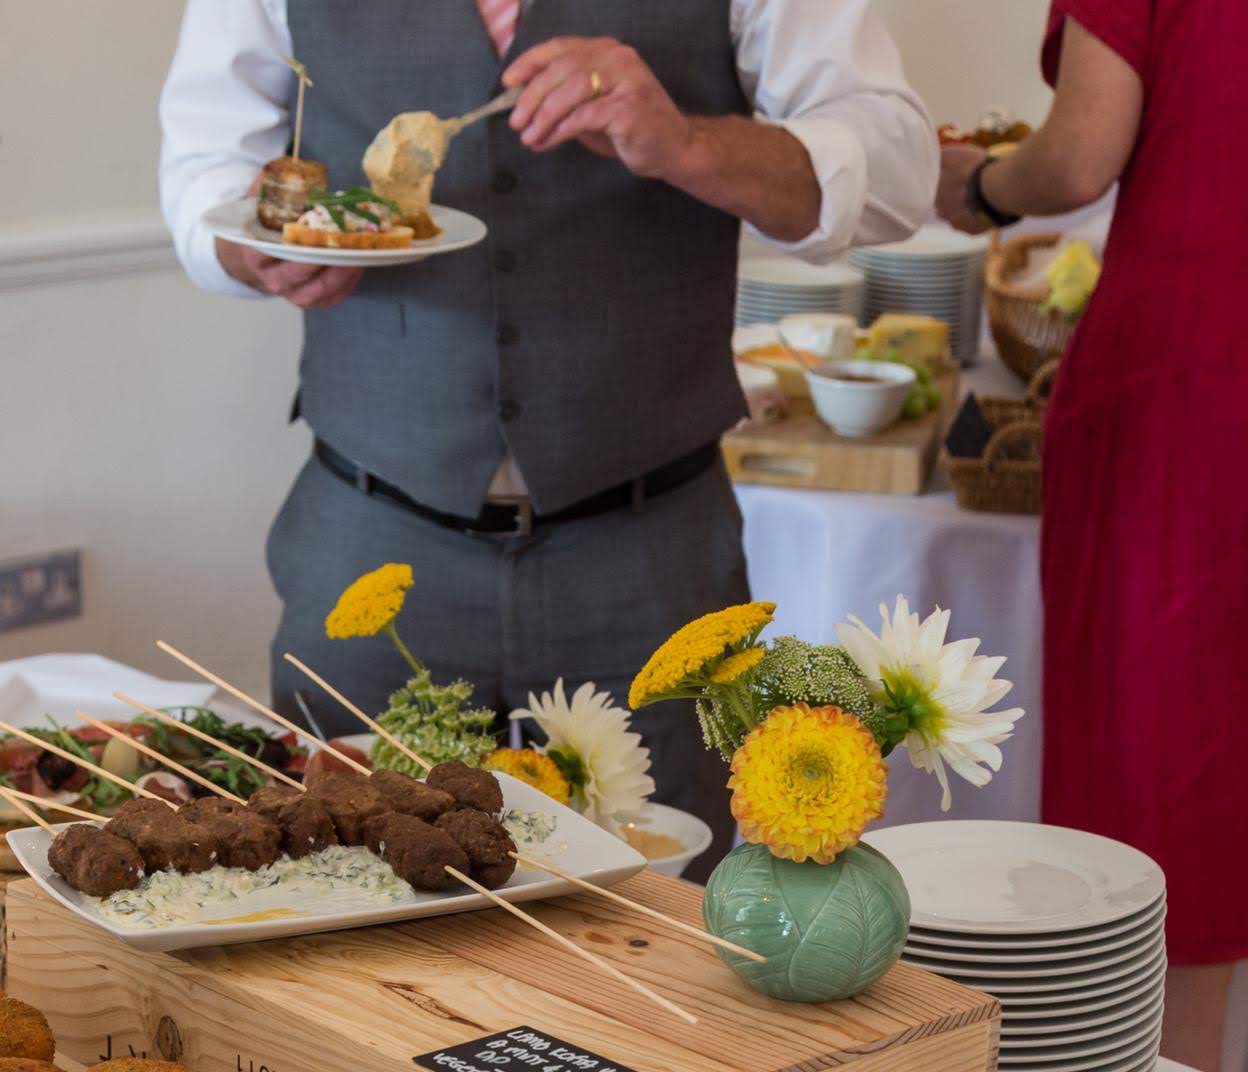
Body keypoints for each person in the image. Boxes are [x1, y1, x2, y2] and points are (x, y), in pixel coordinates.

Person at [159, 1, 936, 870]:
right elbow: (203, 163)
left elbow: (899, 164)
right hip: (366, 544)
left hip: (651, 561)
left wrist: (687, 143)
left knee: (660, 925)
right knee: (339, 907)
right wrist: (250, 246)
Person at [936, 3, 1248, 1072]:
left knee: (1169, 792)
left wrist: (980, 186)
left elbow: (1080, 153)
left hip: (1196, 393)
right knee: (1232, 782)